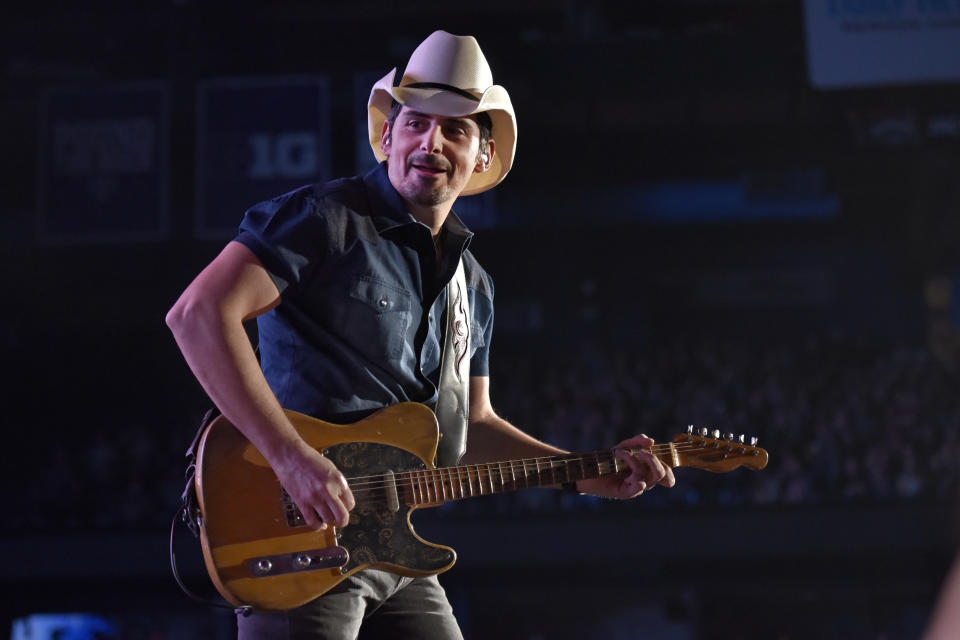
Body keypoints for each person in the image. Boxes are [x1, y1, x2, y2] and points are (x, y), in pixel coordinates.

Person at [166, 30, 676, 640]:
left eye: (455, 129)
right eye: (415, 123)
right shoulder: (324, 219)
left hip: (393, 551)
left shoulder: (475, 286)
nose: (430, 141)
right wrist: (291, 459)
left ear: (481, 156)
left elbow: (473, 427)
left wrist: (584, 472)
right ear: (387, 136)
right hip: (301, 534)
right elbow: (197, 314)